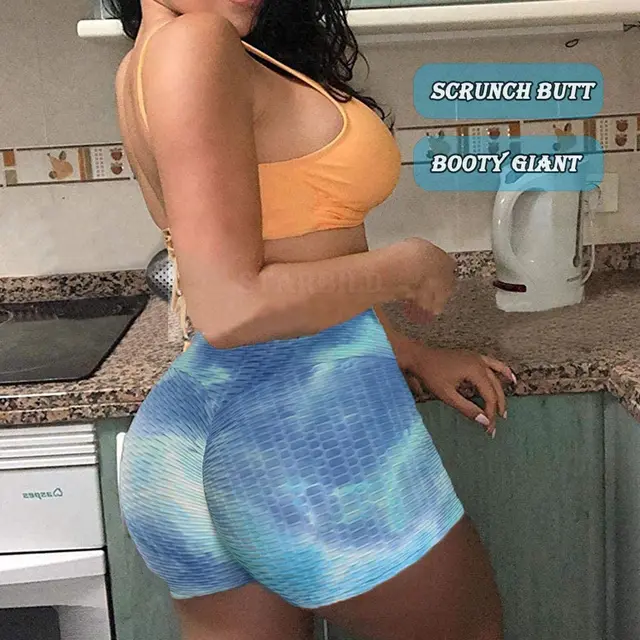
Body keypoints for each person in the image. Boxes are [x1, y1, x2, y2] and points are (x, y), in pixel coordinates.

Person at [110, 0, 512, 638]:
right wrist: (407, 264)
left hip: (185, 438)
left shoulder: (140, 64)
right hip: (298, 435)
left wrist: (406, 349)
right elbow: (231, 307)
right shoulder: (198, 41)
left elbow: (292, 242)